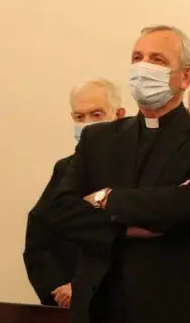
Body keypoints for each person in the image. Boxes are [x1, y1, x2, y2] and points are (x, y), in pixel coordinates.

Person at [45, 25, 190, 323]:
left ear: (186, 76)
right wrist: (125, 229)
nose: (143, 67)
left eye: (157, 60)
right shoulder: (98, 138)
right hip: (98, 309)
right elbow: (62, 211)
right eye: (137, 58)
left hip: (173, 315)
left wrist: (106, 199)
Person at [24, 79, 125, 307]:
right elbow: (39, 240)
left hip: (119, 302)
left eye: (96, 114)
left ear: (118, 115)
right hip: (67, 305)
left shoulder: (135, 169)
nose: (87, 124)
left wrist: (85, 285)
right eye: (79, 117)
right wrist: (57, 289)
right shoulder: (64, 169)